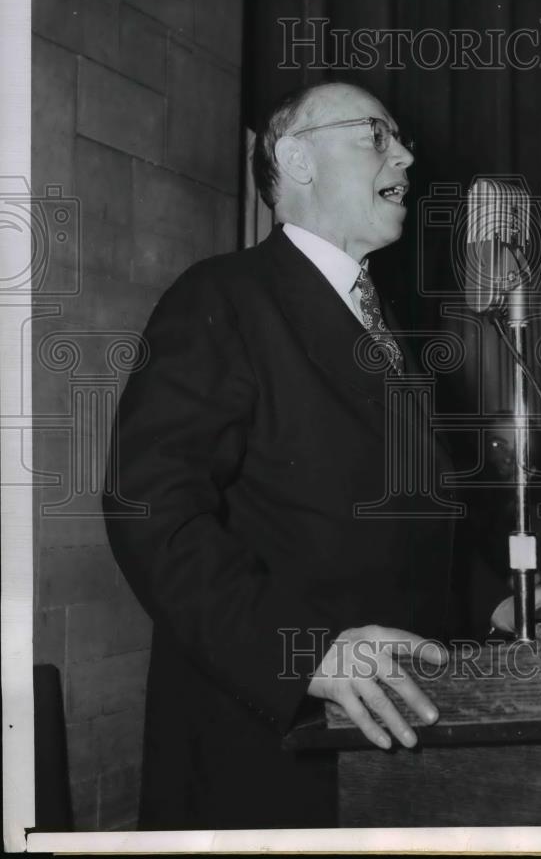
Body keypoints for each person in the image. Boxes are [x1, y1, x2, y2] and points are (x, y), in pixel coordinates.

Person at [103, 82, 455, 830]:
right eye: (376, 135)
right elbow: (150, 506)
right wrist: (303, 656)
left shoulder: (386, 322)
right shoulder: (222, 296)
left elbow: (401, 512)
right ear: (295, 158)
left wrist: (495, 593)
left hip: (393, 725)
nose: (406, 154)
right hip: (269, 741)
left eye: (403, 139)